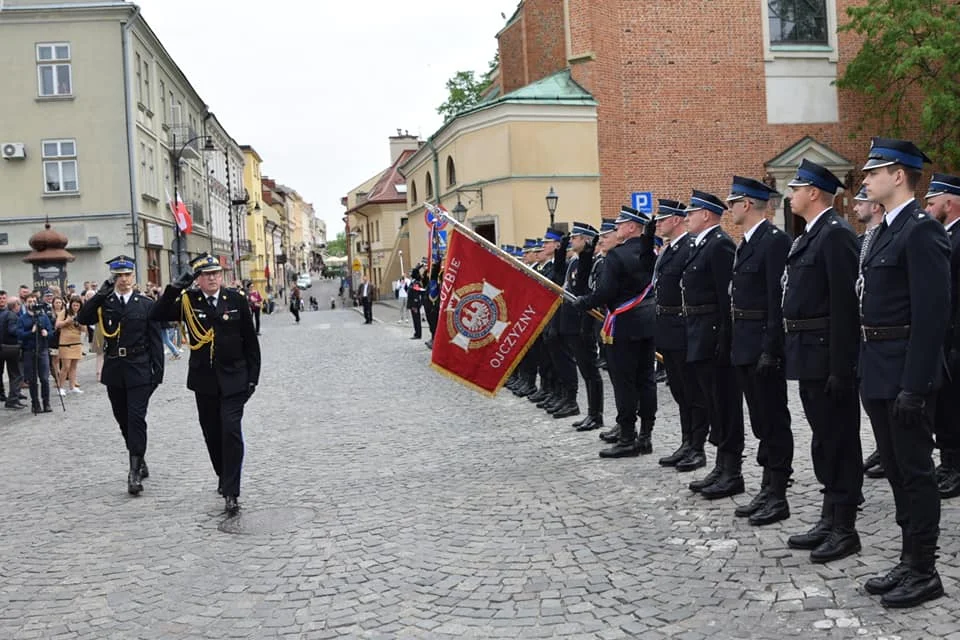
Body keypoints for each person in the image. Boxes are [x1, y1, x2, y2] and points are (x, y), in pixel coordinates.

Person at [859, 139, 950, 608]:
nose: (865, 180)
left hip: (904, 376)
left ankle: (925, 569)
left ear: (899, 176)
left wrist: (915, 385)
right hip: (877, 368)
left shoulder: (921, 231)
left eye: (874, 172)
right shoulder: (884, 231)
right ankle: (908, 558)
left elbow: (932, 316)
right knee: (895, 471)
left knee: (916, 472)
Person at [780, 159, 862, 564]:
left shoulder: (836, 236)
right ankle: (830, 517)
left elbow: (847, 307)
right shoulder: (808, 236)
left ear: (814, 192)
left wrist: (840, 367)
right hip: (807, 353)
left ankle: (845, 527)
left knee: (840, 441)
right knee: (823, 440)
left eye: (796, 188)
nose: (790, 194)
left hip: (827, 355)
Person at [150, 253, 261, 515]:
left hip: (235, 379)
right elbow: (157, 314)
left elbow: (250, 342)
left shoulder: (235, 300)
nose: (213, 278)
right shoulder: (188, 301)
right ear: (198, 279)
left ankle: (232, 491)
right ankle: (223, 476)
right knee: (212, 433)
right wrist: (176, 287)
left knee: (231, 430)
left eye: (216, 273)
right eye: (207, 274)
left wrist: (253, 379)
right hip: (204, 381)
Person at [726, 176, 793, 525]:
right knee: (759, 421)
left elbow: (775, 300)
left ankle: (778, 491)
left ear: (747, 204)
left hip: (762, 346)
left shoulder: (774, 241)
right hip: (744, 342)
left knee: (773, 419)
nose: (729, 208)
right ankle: (767, 485)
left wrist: (772, 348)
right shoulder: (746, 243)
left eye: (732, 202)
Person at [573, 205, 657, 458]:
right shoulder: (649, 252)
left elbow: (606, 292)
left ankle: (628, 436)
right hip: (647, 324)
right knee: (646, 381)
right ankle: (646, 436)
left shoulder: (617, 256)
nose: (617, 227)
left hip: (623, 325)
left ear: (632, 227)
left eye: (621, 224)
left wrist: (584, 302)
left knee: (625, 382)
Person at [76, 256, 164, 495]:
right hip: (115, 368)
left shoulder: (145, 304)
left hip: (140, 367)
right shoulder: (106, 304)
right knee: (123, 419)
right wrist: (101, 295)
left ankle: (134, 471)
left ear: (134, 276)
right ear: (113, 278)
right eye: (119, 276)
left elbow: (155, 339)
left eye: (127, 275)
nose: (124, 280)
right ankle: (139, 455)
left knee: (136, 418)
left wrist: (158, 373)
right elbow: (83, 319)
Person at [681, 190, 745, 499]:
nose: (687, 217)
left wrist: (724, 338)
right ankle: (721, 465)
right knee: (714, 403)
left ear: (706, 215)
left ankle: (731, 470)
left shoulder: (719, 245)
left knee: (725, 403)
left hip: (713, 334)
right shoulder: (702, 244)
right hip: (699, 332)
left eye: (691, 212)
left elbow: (725, 298)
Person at [652, 200, 709, 471]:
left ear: (676, 220)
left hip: (683, 326)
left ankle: (697, 446)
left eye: (662, 219)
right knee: (678, 390)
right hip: (667, 327)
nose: (658, 224)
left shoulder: (689, 248)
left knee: (692, 390)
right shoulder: (668, 250)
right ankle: (686, 441)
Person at [925, 172, 960, 499]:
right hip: (943, 337)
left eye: (932, 202)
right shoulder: (943, 235)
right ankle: (948, 460)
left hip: (955, 339)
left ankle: (956, 466)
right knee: (945, 407)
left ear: (950, 203)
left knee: (955, 406)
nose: (928, 207)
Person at [853, 185, 887, 481]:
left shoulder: (886, 237)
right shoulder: (862, 240)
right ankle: (882, 447)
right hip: (863, 334)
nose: (855, 207)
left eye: (860, 202)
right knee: (870, 399)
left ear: (875, 206)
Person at [17, 293, 54, 414]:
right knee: (32, 380)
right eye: (29, 301)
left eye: (34, 300)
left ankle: (46, 402)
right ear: (26, 303)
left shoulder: (43, 316)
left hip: (42, 350)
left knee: (44, 378)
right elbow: (20, 335)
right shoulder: (22, 318)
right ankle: (35, 403)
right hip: (29, 351)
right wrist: (31, 332)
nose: (32, 303)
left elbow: (51, 332)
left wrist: (46, 333)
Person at [55, 295, 85, 394]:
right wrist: (67, 321)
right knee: (65, 367)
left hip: (77, 341)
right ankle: (61, 387)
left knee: (74, 366)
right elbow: (57, 325)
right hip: (65, 343)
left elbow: (84, 329)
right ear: (70, 304)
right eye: (74, 305)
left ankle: (72, 386)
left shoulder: (81, 314)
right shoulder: (64, 312)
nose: (75, 307)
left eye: (77, 305)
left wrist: (79, 323)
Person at [1, 298, 26, 410]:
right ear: (15, 305)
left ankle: (14, 397)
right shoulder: (12, 316)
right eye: (19, 304)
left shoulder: (4, 314)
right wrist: (22, 332)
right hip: (11, 348)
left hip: (4, 347)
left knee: (14, 374)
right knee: (17, 374)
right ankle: (13, 399)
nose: (20, 306)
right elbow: (12, 330)